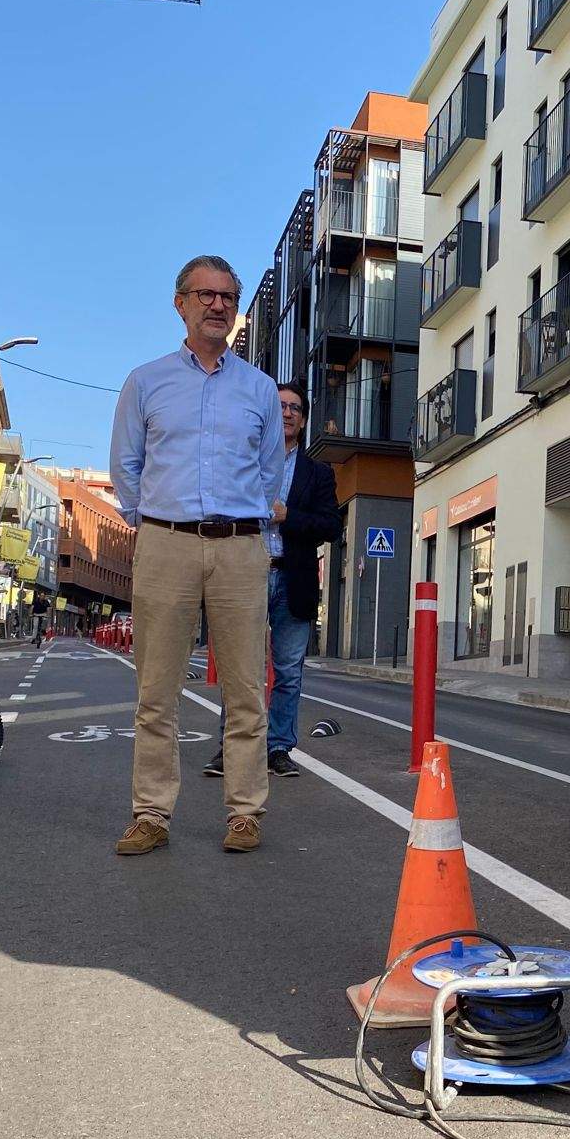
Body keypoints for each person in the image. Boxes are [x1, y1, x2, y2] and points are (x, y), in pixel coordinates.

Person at [109, 254, 279, 857]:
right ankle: (151, 813)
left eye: (228, 297)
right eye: (205, 295)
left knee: (245, 693)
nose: (218, 305)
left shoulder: (258, 388)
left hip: (240, 549)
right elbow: (125, 467)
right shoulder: (146, 381)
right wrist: (151, 524)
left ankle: (244, 814)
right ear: (180, 303)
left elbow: (269, 475)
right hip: (165, 544)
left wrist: (260, 538)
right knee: (156, 692)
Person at [203, 384, 342, 780]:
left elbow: (331, 526)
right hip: (246, 573)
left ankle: (279, 748)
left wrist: (288, 517)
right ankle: (229, 748)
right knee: (240, 668)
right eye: (280, 406)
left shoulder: (318, 473)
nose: (287, 413)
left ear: (303, 418)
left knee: (288, 670)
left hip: (293, 577)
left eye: (295, 407)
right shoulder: (245, 464)